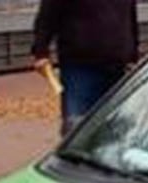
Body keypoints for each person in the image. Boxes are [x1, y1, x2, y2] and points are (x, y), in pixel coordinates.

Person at [31, 0, 139, 135]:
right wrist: (40, 51)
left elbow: (130, 17)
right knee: (76, 129)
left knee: (117, 130)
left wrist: (133, 55)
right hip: (80, 67)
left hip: (119, 67)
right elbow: (48, 14)